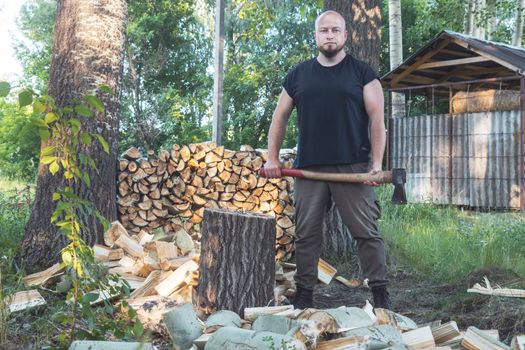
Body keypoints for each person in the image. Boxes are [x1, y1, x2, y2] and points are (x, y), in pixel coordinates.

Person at [263, 10, 391, 310]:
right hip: (309, 169)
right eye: (324, 30)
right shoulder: (298, 75)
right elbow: (279, 117)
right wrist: (271, 158)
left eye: (336, 30)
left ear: (345, 36)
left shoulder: (363, 73)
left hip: (353, 167)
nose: (330, 35)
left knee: (366, 233)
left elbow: (376, 120)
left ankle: (381, 295)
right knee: (306, 234)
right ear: (316, 36)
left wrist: (375, 164)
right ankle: (305, 294)